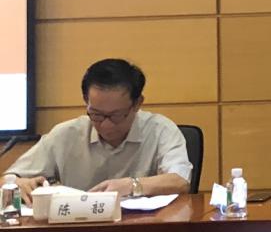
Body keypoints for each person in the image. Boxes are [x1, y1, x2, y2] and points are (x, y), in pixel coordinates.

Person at [3, 58, 191, 203]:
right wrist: (17, 183)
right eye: (97, 115)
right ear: (86, 101)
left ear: (137, 104)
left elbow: (180, 181)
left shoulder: (160, 130)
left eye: (116, 115)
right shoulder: (65, 134)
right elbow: (7, 179)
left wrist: (132, 185)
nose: (106, 125)